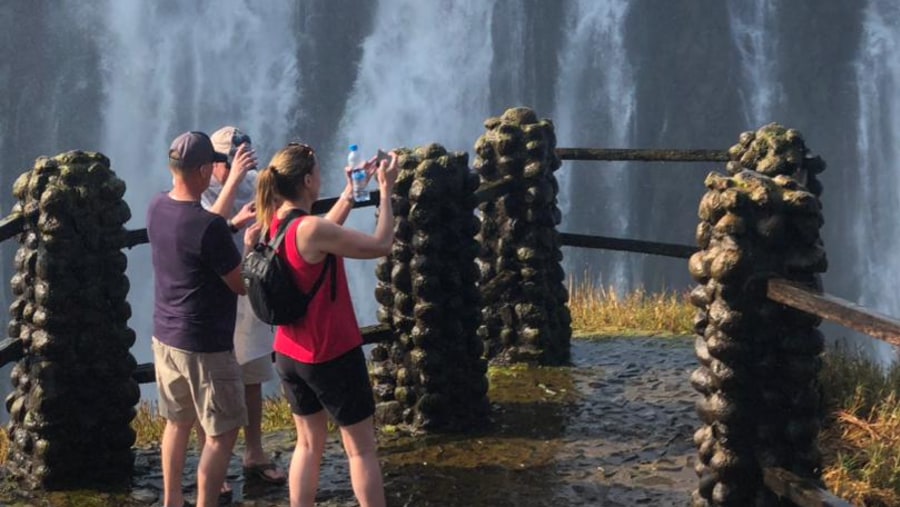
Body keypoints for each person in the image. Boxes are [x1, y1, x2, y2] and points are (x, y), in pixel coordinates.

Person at [254, 142, 397, 507]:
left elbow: (319, 234)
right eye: (317, 171)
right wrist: (386, 190)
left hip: (288, 353)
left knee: (307, 443)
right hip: (330, 351)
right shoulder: (312, 229)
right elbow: (381, 244)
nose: (322, 176)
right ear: (306, 180)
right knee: (361, 449)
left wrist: (351, 192)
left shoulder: (273, 221)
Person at [147, 131, 258, 507]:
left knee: (177, 423)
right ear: (200, 171)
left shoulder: (157, 206)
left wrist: (230, 226)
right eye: (211, 164)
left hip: (166, 337)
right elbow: (240, 284)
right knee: (223, 433)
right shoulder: (208, 227)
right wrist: (249, 247)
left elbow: (190, 239)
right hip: (205, 344)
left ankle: (172, 500)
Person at [195, 126, 287, 487]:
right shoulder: (200, 193)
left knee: (252, 377)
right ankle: (213, 471)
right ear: (215, 162)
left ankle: (255, 453)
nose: (239, 165)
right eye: (231, 160)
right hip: (216, 300)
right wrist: (234, 183)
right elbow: (209, 228)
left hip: (250, 295)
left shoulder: (252, 184)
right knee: (214, 387)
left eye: (242, 157)